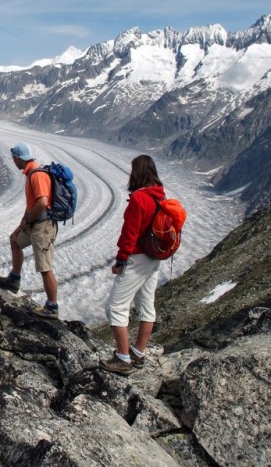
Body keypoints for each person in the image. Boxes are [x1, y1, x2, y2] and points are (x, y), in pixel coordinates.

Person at [100, 154, 165, 375]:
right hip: (153, 257)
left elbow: (130, 233)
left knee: (116, 307)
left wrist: (121, 260)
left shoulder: (139, 199)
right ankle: (138, 353)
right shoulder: (160, 196)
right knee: (146, 305)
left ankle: (123, 358)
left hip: (137, 258)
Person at [0, 142, 60, 319]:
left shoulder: (37, 175)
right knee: (15, 240)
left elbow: (42, 202)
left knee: (45, 267)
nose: (13, 162)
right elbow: (32, 203)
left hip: (43, 226)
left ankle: (52, 306)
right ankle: (14, 279)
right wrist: (21, 226)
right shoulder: (31, 173)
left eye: (13, 159)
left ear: (17, 158)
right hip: (34, 223)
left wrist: (29, 221)